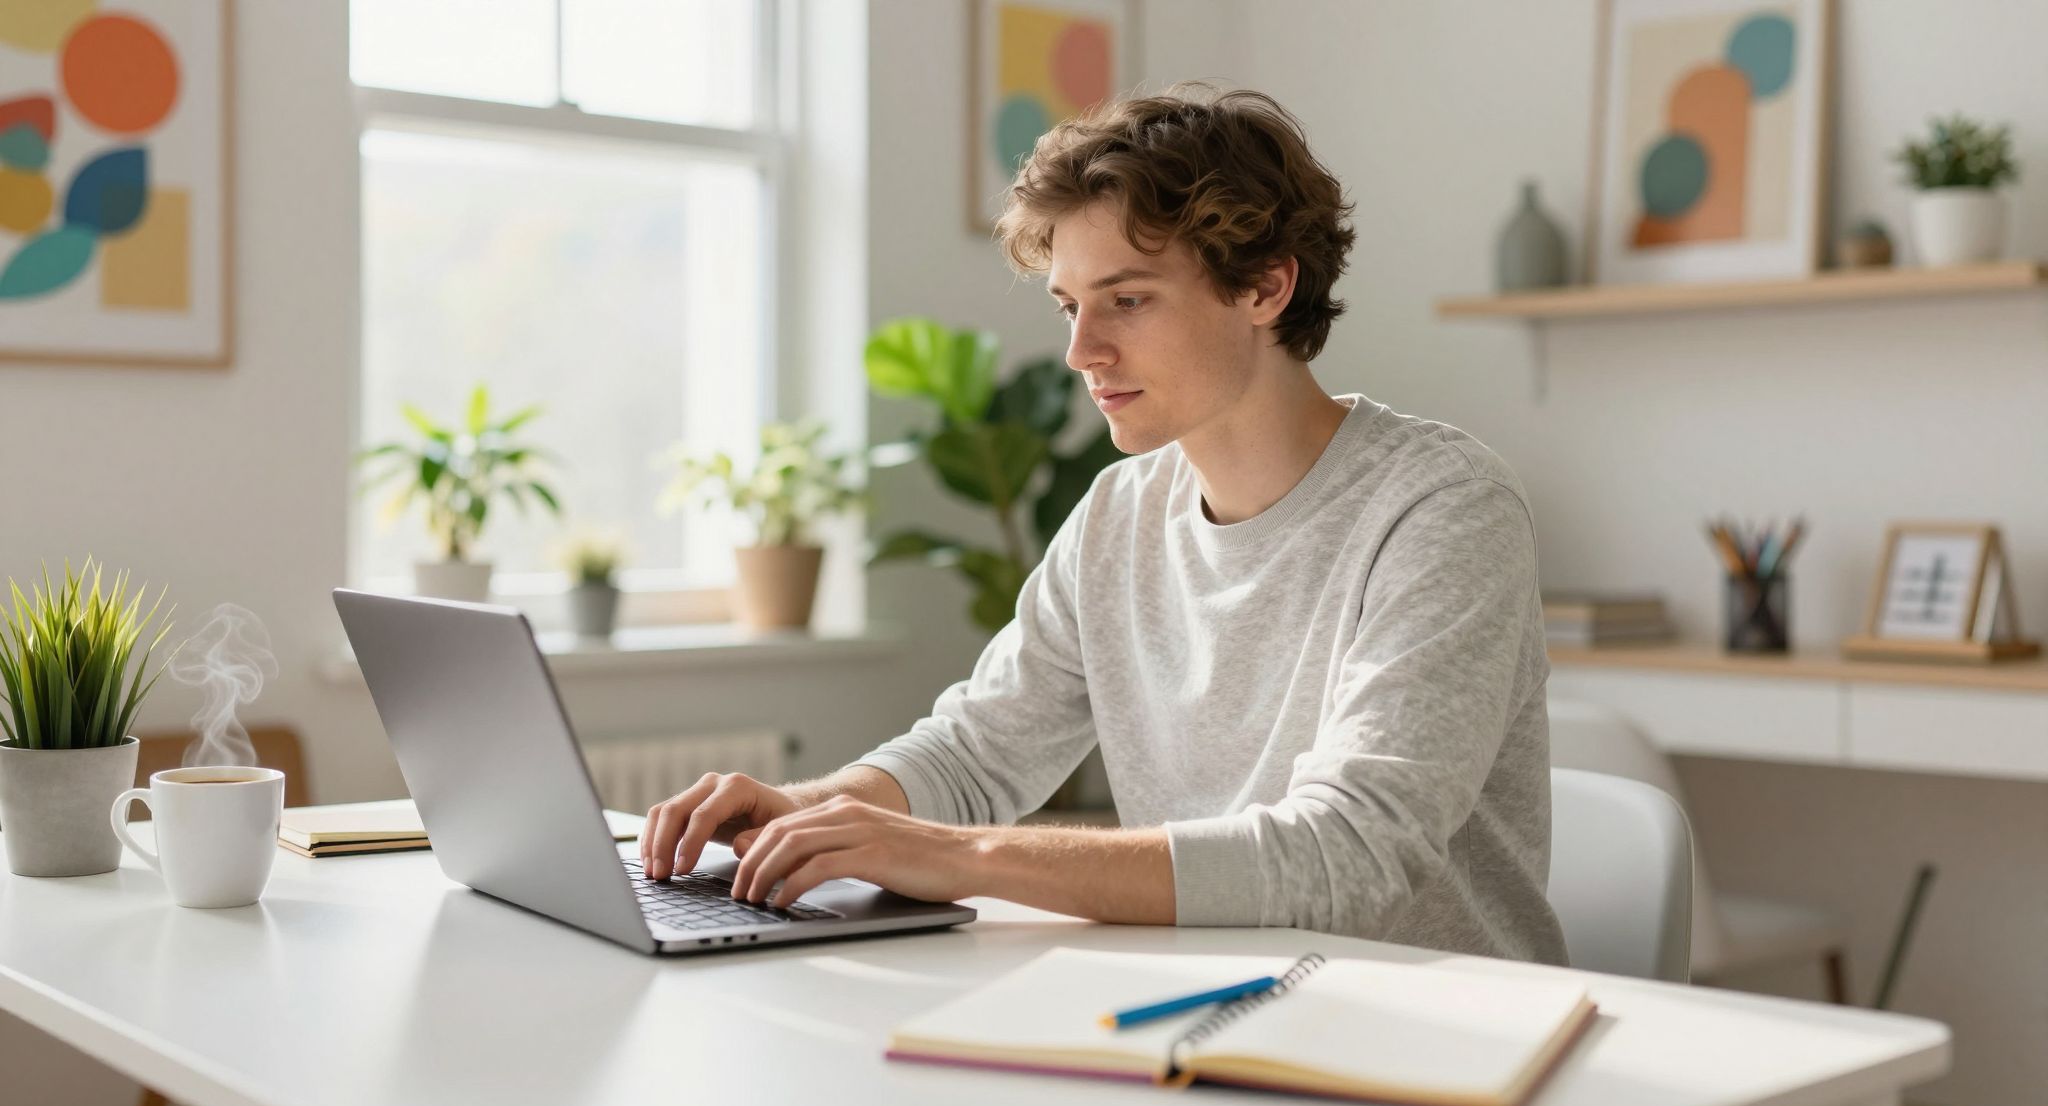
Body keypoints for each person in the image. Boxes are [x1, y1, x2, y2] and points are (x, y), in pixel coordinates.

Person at [638, 84, 1566, 963]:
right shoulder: (1120, 512)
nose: (1082, 351)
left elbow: (1349, 855)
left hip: (1434, 1030)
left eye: (1128, 300)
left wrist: (962, 856)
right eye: (1070, 307)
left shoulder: (1442, 509)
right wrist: (804, 811)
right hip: (1206, 1001)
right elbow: (977, 751)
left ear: (1265, 287)